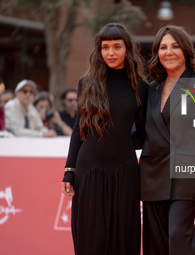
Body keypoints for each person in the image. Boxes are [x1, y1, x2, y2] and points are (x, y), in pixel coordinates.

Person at [61, 23, 148, 255]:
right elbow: (79, 129)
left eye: (117, 46)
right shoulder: (86, 83)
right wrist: (69, 169)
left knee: (123, 237)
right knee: (92, 238)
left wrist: (122, 143)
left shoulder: (141, 86)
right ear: (99, 51)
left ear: (127, 49)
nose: (111, 53)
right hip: (89, 169)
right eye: (105, 47)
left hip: (126, 171)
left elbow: (143, 133)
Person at [140, 26, 195, 255]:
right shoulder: (152, 89)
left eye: (175, 46)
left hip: (187, 175)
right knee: (155, 244)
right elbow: (143, 132)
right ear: (157, 53)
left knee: (178, 236)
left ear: (186, 51)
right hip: (153, 175)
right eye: (163, 47)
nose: (169, 52)